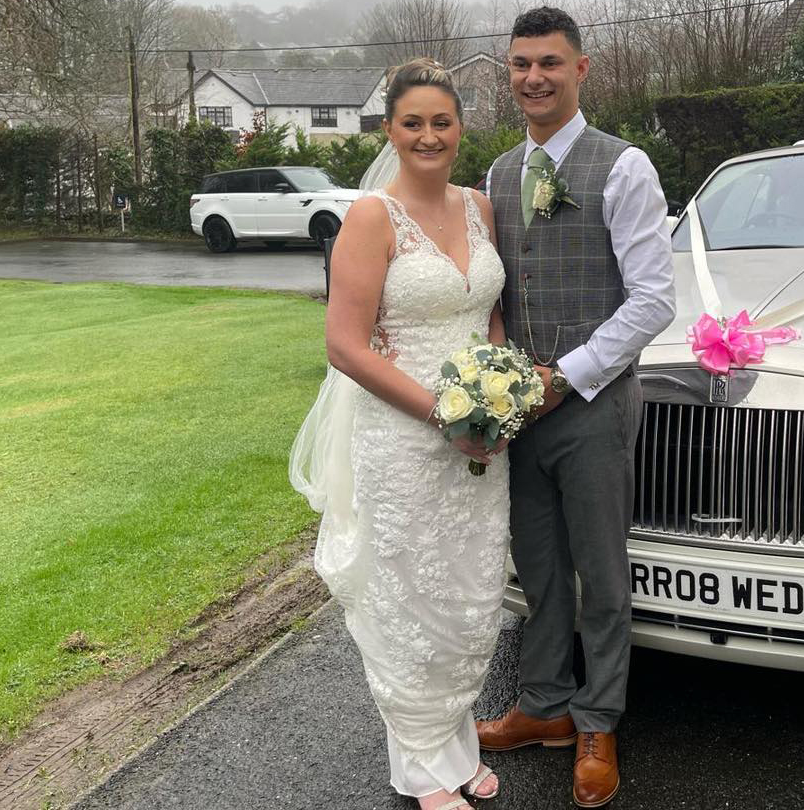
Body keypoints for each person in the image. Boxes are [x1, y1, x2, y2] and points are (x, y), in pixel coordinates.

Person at [289, 58, 508, 810]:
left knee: (469, 593)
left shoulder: (481, 207)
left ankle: (458, 746)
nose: (427, 135)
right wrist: (441, 413)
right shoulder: (371, 218)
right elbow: (345, 345)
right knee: (411, 596)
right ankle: (421, 769)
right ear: (389, 130)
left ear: (459, 128)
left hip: (482, 441)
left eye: (440, 122)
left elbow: (490, 314)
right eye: (411, 123)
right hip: (403, 437)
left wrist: (497, 400)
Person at [475, 7, 676, 808]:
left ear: (582, 69)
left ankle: (598, 719)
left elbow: (654, 300)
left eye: (550, 63)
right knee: (538, 565)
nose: (534, 77)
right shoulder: (495, 176)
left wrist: (568, 374)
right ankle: (544, 705)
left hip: (591, 405)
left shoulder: (624, 168)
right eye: (521, 64)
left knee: (601, 571)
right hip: (521, 413)